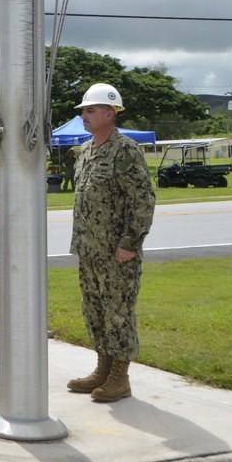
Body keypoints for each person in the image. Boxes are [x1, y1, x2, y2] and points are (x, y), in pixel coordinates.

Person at [67, 83, 156, 403]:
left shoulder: (125, 150)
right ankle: (102, 369)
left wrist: (130, 242)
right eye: (83, 111)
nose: (84, 116)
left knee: (118, 313)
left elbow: (143, 200)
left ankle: (120, 377)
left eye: (90, 111)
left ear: (109, 113)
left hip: (117, 252)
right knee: (94, 310)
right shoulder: (85, 150)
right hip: (90, 249)